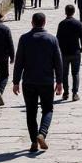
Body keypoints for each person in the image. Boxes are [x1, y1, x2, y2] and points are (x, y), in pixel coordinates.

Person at [13, 12, 63, 152]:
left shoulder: (24, 39)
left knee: (31, 112)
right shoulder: (52, 39)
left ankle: (34, 141)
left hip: (28, 81)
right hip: (46, 81)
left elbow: (19, 62)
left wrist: (16, 81)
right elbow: (58, 62)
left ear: (32, 22)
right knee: (47, 109)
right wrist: (59, 82)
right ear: (44, 22)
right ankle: (42, 133)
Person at [56, 4, 82, 101]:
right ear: (74, 12)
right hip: (75, 51)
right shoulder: (78, 24)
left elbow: (57, 39)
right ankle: (75, 93)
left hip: (64, 53)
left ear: (65, 12)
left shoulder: (61, 24)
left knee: (64, 73)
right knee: (75, 73)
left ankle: (66, 93)